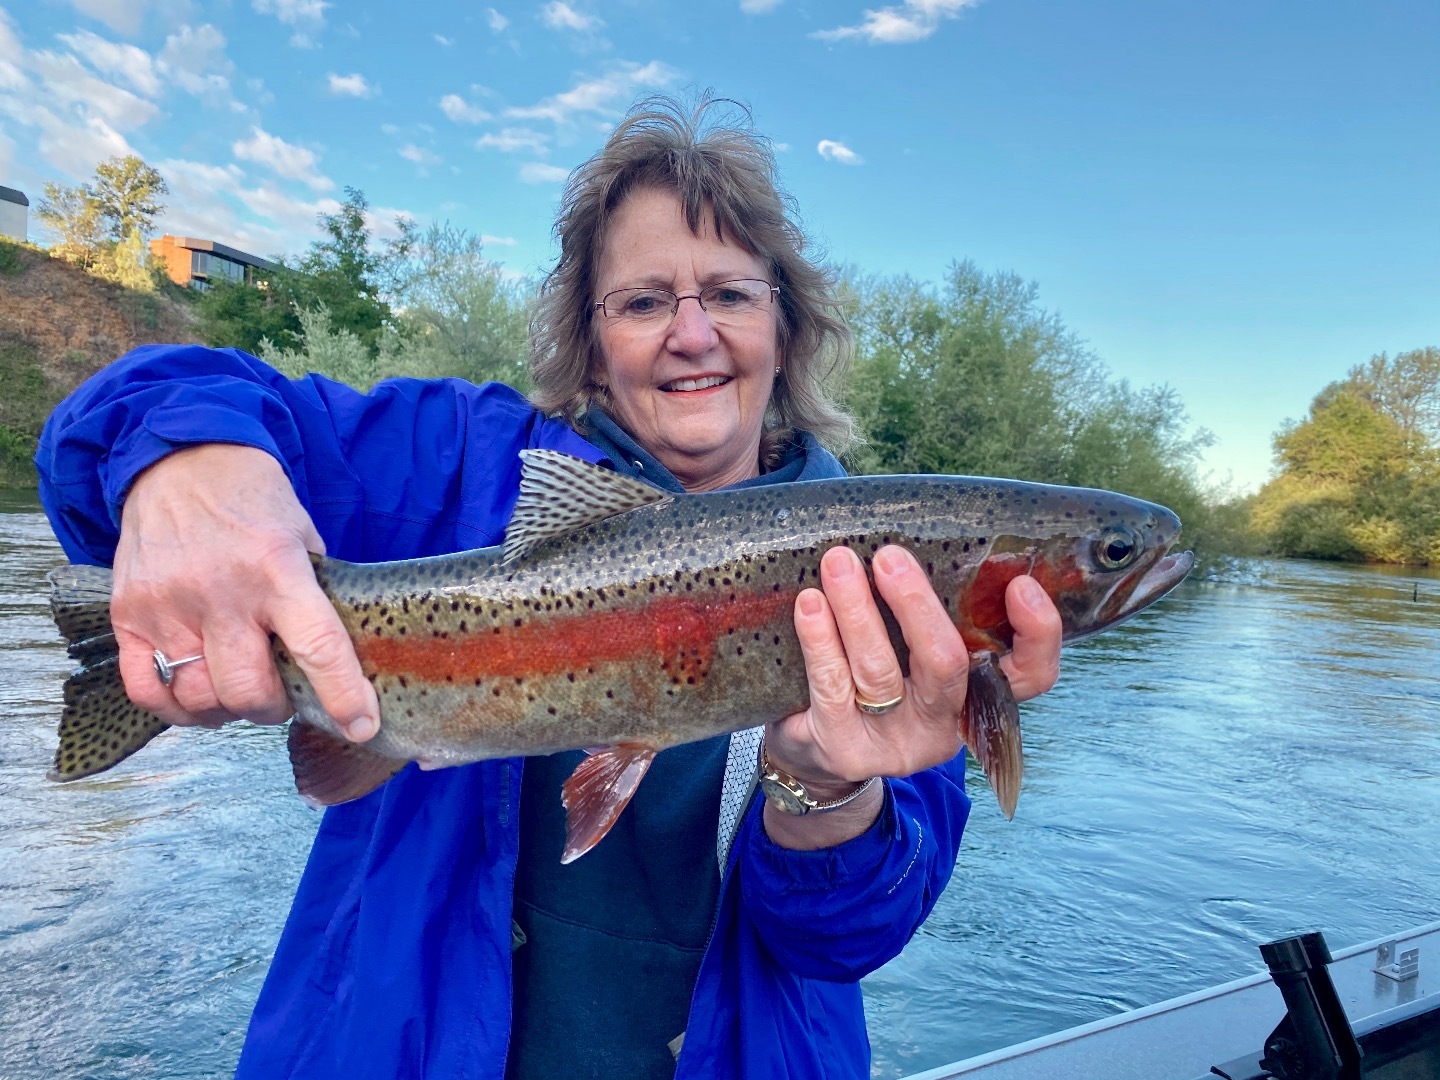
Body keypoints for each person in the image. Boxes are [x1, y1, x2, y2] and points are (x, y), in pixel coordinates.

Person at [36, 95, 1063, 1079]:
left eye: (731, 294)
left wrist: (829, 790)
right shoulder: (453, 462)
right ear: (591, 334)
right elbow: (142, 402)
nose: (691, 332)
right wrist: (188, 466)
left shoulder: (895, 581)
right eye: (645, 300)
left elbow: (846, 941)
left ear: (786, 328)